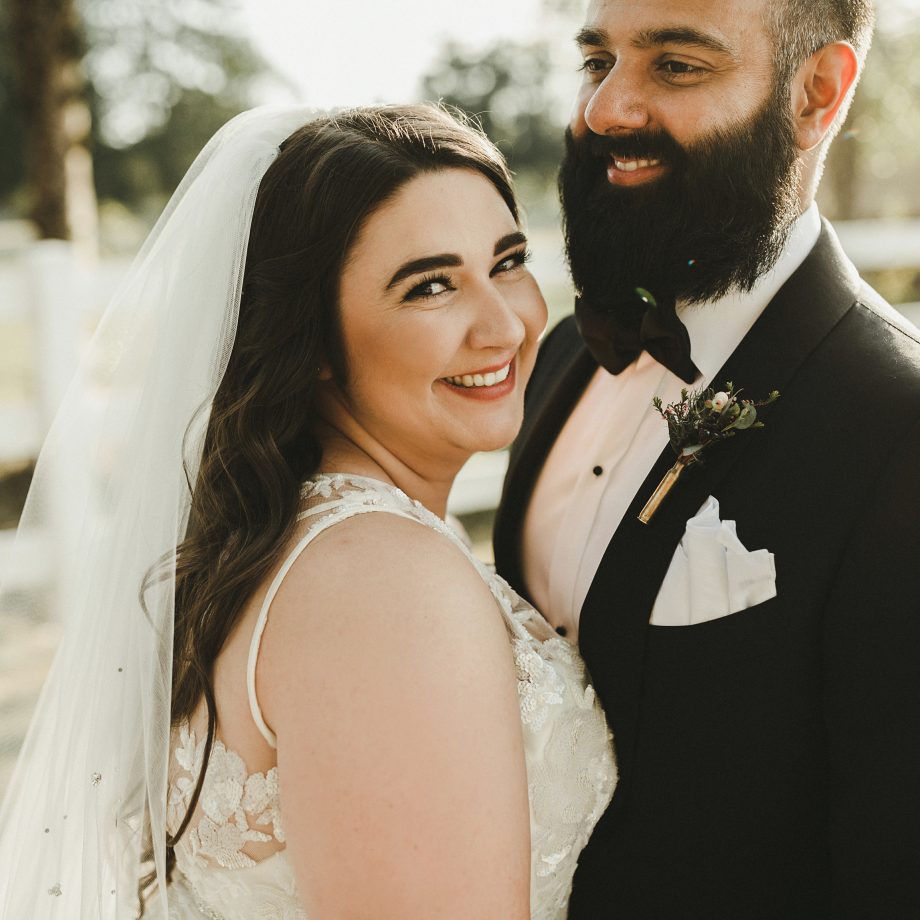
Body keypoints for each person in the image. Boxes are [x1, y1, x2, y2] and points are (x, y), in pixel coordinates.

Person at [0, 104, 617, 919]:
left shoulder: (284, 537)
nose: (505, 324)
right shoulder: (384, 584)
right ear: (314, 340)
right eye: (430, 286)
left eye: (507, 262)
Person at [494, 0, 920, 917]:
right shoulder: (562, 355)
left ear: (817, 93)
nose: (607, 108)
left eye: (677, 66)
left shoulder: (900, 430)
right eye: (598, 61)